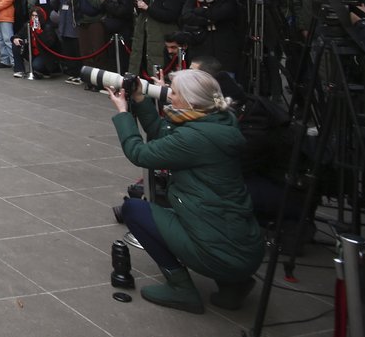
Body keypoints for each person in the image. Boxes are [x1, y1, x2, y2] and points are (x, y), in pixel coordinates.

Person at [107, 69, 265, 313]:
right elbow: (164, 133)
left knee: (134, 210)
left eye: (176, 93)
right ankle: (234, 284)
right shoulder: (219, 121)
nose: (170, 97)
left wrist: (123, 113)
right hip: (245, 247)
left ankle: (181, 289)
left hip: (217, 248)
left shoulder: (194, 139)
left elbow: (139, 154)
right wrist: (139, 99)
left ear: (191, 101)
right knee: (209, 221)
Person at [182, 0, 242, 75]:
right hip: (202, 48)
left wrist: (200, 12)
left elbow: (220, 13)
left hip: (224, 48)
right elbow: (186, 16)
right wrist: (207, 20)